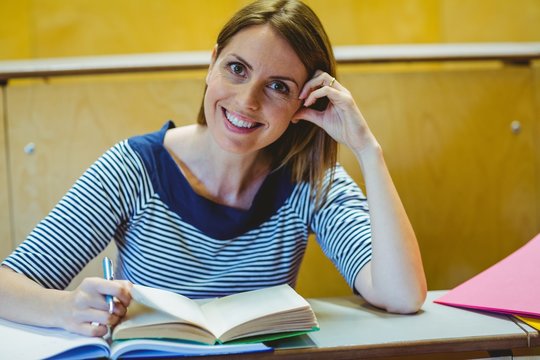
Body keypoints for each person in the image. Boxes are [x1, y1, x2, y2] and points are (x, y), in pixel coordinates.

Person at [0, 0, 426, 337]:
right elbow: (7, 285)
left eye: (279, 87)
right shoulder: (134, 168)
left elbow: (402, 296)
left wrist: (367, 149)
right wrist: (65, 308)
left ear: (306, 102)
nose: (247, 101)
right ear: (212, 63)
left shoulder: (310, 182)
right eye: (236, 69)